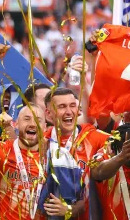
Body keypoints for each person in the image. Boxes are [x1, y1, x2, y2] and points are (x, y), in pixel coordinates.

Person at [43, 87, 110, 220]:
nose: (69, 112)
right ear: (48, 114)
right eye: (62, 107)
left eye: (72, 106)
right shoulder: (42, 143)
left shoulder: (97, 139)